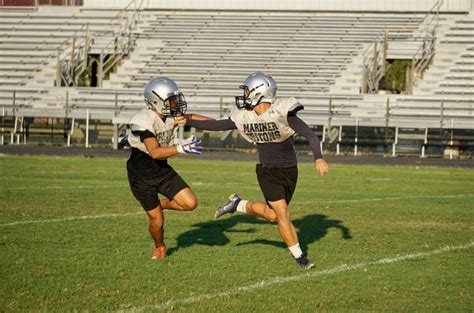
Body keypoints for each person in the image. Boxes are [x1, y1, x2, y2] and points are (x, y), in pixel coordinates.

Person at [178, 72, 329, 269]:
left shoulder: (282, 111)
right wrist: (187, 120)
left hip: (290, 171)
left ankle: (238, 204)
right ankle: (300, 258)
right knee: (283, 213)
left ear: (260, 92)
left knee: (274, 216)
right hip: (266, 171)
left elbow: (310, 135)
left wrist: (318, 157)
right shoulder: (245, 116)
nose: (245, 94)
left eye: (248, 90)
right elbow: (216, 125)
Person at [126, 76, 203, 260]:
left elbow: (191, 118)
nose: (175, 103)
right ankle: (160, 246)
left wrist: (222, 123)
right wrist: (181, 147)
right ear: (155, 101)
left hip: (161, 169)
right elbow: (154, 152)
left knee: (190, 203)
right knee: (157, 221)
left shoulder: (171, 114)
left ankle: (160, 205)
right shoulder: (143, 120)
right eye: (171, 99)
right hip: (141, 174)